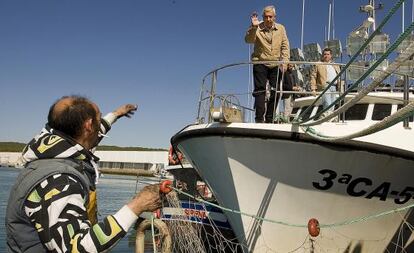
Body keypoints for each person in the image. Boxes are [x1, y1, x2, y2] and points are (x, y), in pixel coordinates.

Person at [6, 95, 162, 252]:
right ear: (88, 125)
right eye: (98, 119)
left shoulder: (49, 150)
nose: (100, 126)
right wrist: (137, 206)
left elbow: (93, 134)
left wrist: (116, 114)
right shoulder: (60, 181)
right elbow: (77, 248)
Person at [245, 5, 290, 123]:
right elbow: (248, 40)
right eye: (266, 17)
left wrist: (285, 62)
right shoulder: (257, 27)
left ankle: (269, 118)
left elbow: (285, 46)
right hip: (260, 62)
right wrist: (254, 27)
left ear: (275, 17)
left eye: (270, 17)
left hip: (275, 63)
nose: (268, 19)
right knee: (260, 91)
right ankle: (259, 119)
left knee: (276, 92)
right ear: (263, 17)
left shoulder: (281, 28)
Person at [310, 47, 341, 113]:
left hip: (334, 86)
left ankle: (329, 119)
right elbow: (313, 76)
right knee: (327, 104)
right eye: (324, 54)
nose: (326, 56)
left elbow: (339, 76)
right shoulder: (318, 64)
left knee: (333, 105)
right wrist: (313, 89)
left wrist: (341, 88)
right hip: (325, 85)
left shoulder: (335, 65)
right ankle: (326, 118)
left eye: (328, 54)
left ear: (331, 55)